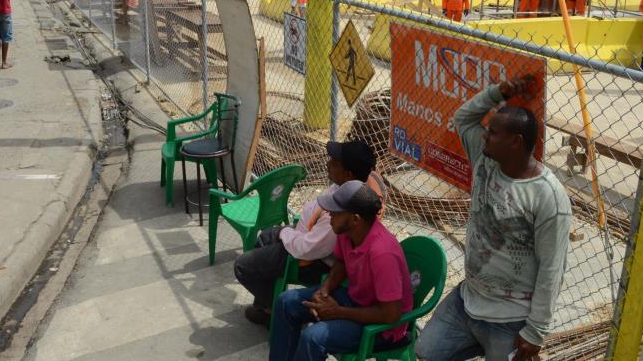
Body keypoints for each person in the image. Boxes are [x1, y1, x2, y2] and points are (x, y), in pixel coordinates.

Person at [416, 75, 572, 361]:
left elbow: (553, 269)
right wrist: (499, 92)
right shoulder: (485, 158)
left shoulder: (548, 197)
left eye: (493, 132)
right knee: (426, 352)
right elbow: (462, 118)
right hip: (468, 300)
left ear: (516, 141)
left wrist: (535, 332)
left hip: (510, 319)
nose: (485, 136)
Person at [235, 140, 381, 326]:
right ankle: (266, 307)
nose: (328, 164)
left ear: (348, 174)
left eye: (334, 163)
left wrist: (285, 234)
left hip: (310, 259)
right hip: (303, 238)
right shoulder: (347, 188)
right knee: (264, 238)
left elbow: (306, 249)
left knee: (242, 266)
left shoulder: (340, 218)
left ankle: (277, 310)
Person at [269, 180, 412, 361]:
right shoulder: (346, 232)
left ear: (355, 219)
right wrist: (325, 289)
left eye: (336, 212)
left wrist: (338, 311)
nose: (329, 214)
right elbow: (341, 263)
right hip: (355, 300)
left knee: (313, 337)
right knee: (286, 301)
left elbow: (391, 315)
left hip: (382, 327)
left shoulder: (383, 253)